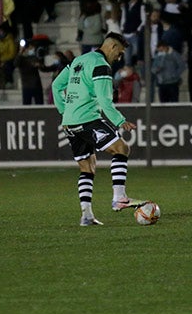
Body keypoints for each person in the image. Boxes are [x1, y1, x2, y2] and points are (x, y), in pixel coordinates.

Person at [51, 32, 144, 227]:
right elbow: (105, 101)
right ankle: (119, 197)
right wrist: (120, 121)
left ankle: (86, 215)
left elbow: (56, 85)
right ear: (112, 47)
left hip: (70, 122)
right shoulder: (101, 65)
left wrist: (64, 111)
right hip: (87, 119)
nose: (119, 58)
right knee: (122, 149)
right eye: (119, 53)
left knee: (87, 167)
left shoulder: (79, 60)